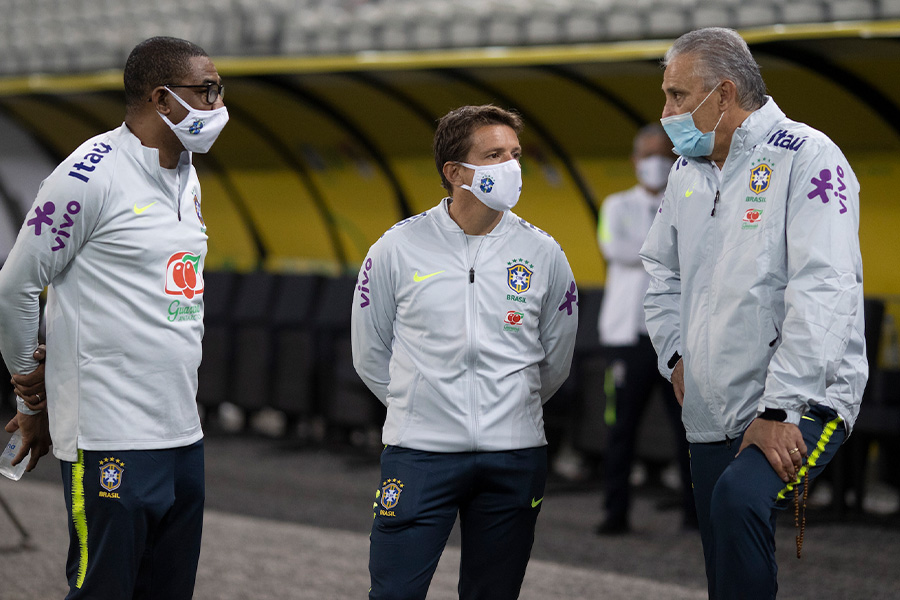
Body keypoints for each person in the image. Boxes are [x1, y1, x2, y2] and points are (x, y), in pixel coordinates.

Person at [641, 27, 866, 599]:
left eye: (677, 95)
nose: (665, 110)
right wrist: (675, 356)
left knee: (738, 498)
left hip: (802, 398)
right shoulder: (686, 174)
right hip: (712, 401)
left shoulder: (810, 156)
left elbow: (826, 287)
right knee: (723, 552)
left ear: (722, 94)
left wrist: (779, 406)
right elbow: (661, 274)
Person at [0, 36, 228, 599]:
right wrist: (32, 397)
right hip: (109, 434)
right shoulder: (87, 175)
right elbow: (16, 287)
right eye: (208, 91)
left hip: (181, 432)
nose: (220, 106)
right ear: (162, 99)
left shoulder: (187, 173)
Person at [351, 104, 579, 600]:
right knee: (394, 593)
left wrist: (511, 407)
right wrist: (420, 408)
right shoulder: (396, 247)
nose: (511, 167)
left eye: (515, 154)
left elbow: (556, 357)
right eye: (494, 155)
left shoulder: (544, 252)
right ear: (455, 173)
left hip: (514, 454)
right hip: (420, 454)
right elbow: (370, 351)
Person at [595, 124, 696, 535]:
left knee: (689, 429)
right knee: (620, 428)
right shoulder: (614, 205)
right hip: (627, 338)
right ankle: (614, 513)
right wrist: (662, 250)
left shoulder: (687, 202)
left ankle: (696, 514)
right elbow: (613, 248)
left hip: (676, 338)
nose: (655, 163)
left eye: (663, 154)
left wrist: (654, 251)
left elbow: (692, 254)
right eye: (648, 154)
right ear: (636, 160)